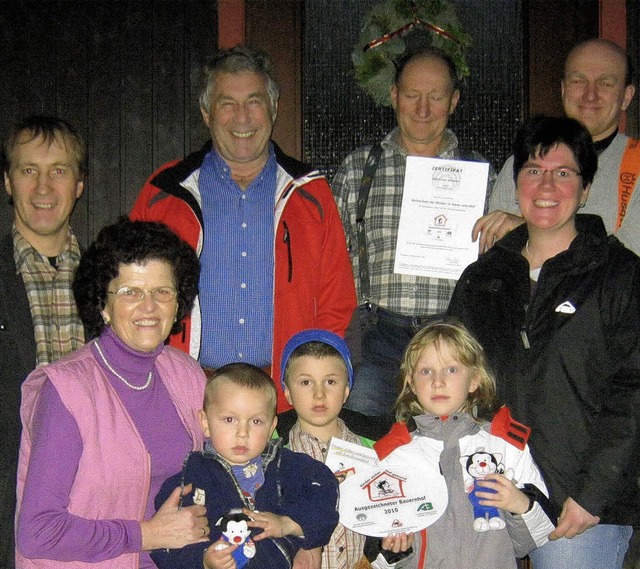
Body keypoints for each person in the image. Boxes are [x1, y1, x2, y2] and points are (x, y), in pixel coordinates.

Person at [448, 116, 640, 569]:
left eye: (564, 172)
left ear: (587, 187)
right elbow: (448, 375)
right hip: (489, 495)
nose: (546, 184)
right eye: (534, 170)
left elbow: (633, 392)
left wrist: (592, 495)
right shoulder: (482, 277)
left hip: (578, 502)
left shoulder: (619, 275)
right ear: (516, 183)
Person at [130, 45, 356, 411]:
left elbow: (336, 302)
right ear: (206, 113)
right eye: (227, 103)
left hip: (281, 400)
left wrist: (309, 384)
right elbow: (129, 294)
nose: (242, 117)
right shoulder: (164, 192)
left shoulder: (311, 193)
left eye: (253, 101)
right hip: (186, 397)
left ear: (273, 108)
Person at [16, 218, 209, 568]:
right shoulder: (67, 392)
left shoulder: (187, 375)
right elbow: (37, 532)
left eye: (161, 292)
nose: (148, 307)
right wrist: (145, 535)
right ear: (103, 306)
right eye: (130, 292)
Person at [332, 46, 496, 418]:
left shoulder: (482, 175)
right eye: (411, 95)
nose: (422, 109)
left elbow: (500, 267)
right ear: (394, 96)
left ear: (453, 101)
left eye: (435, 97)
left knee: (446, 459)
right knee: (361, 449)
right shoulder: (360, 168)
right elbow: (329, 263)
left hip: (452, 340)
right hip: (376, 338)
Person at [366, 321, 553, 568]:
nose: (438, 382)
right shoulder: (393, 455)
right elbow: (375, 555)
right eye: (426, 371)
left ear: (474, 379)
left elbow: (535, 540)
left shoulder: (505, 445)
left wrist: (519, 504)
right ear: (410, 382)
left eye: (451, 369)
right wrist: (393, 550)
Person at [151, 362, 340, 569]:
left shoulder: (289, 468)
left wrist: (289, 523)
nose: (243, 432)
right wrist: (203, 560)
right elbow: (164, 548)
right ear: (205, 423)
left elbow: (326, 489)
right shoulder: (189, 480)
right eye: (230, 419)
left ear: (271, 428)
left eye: (256, 421)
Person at [0, 115, 86, 568]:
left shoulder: (113, 282)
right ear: (8, 183)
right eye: (28, 170)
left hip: (93, 493)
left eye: (59, 170)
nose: (43, 186)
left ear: (79, 184)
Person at [474, 38, 639, 254]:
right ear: (562, 90)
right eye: (578, 81)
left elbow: (628, 264)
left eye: (605, 83)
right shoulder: (523, 161)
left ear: (627, 97)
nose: (590, 94)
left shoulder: (637, 164)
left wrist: (525, 231)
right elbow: (496, 251)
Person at [279, 329, 376, 568]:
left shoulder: (372, 453)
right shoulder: (274, 458)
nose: (319, 393)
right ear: (287, 392)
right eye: (305, 382)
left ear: (346, 391)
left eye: (330, 382)